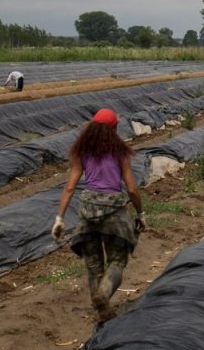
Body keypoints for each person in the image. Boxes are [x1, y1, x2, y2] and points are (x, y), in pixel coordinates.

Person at [51, 108, 145, 323]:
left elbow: (69, 187)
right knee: (117, 261)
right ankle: (103, 295)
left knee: (94, 266)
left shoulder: (81, 151)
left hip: (88, 211)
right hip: (114, 212)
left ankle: (100, 309)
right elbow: (131, 189)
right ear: (114, 128)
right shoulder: (120, 152)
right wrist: (141, 213)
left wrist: (59, 218)